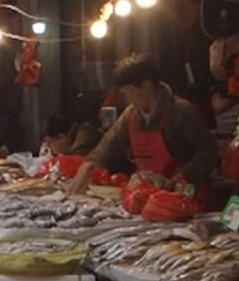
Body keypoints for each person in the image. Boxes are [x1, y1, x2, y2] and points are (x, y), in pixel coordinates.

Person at [69, 54, 218, 203]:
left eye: (130, 92)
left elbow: (209, 152)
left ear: (146, 85)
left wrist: (180, 178)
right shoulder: (131, 114)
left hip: (185, 198)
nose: (128, 99)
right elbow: (109, 144)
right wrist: (89, 165)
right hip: (151, 198)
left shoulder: (181, 112)